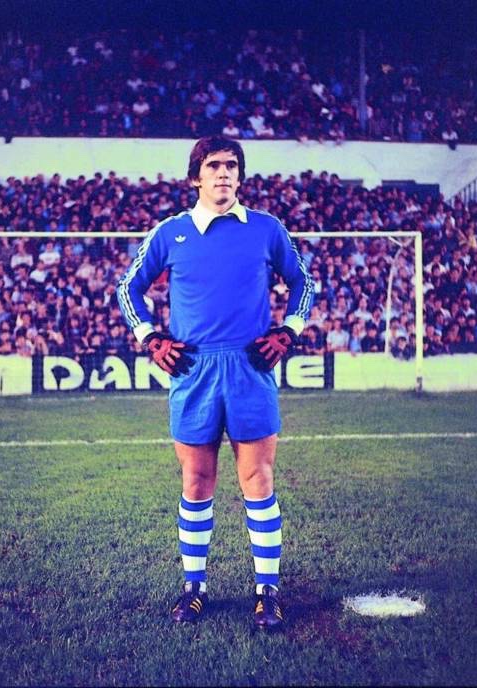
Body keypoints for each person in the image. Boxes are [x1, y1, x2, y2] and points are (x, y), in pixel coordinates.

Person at [117, 136, 313, 631]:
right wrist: (150, 337)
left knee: (258, 479)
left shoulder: (266, 229)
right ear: (195, 177)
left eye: (231, 165)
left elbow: (303, 282)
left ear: (240, 176)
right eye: (212, 165)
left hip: (250, 367)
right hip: (193, 370)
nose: (223, 173)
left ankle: (267, 591)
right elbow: (128, 288)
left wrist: (289, 330)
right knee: (196, 481)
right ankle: (194, 588)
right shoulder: (171, 233)